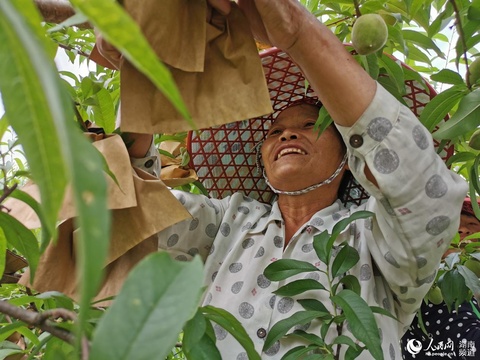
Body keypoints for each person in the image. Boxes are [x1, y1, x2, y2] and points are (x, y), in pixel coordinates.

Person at [95, 0, 468, 358]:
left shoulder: (371, 235)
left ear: (348, 152)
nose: (287, 135)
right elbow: (132, 216)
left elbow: (425, 196)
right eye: (274, 132)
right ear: (261, 158)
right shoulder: (230, 222)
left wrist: (298, 34)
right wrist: (143, 77)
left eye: (310, 125)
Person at [401, 198, 480, 359]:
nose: (463, 229)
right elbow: (469, 347)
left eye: (473, 225)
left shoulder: (467, 288)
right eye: (455, 222)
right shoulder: (432, 284)